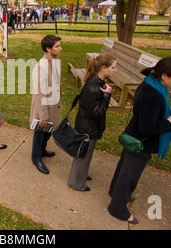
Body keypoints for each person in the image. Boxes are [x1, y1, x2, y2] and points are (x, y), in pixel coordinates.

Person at [108, 56, 171, 225]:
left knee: (124, 168)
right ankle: (117, 208)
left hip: (134, 135)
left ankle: (115, 192)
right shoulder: (153, 95)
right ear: (165, 76)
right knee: (129, 175)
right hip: (140, 142)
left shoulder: (150, 84)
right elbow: (148, 129)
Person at [67, 53, 116, 191]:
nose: (114, 70)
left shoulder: (97, 83)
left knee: (85, 155)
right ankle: (76, 183)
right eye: (113, 67)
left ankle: (81, 175)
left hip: (89, 127)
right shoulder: (93, 87)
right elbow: (96, 113)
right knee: (82, 156)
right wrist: (107, 96)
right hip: (87, 129)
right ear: (104, 68)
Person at [30, 35, 62, 174]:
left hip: (52, 106)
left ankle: (42, 151)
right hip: (44, 109)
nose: (60, 48)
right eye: (57, 46)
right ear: (48, 49)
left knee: (48, 133)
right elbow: (38, 94)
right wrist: (43, 116)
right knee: (40, 134)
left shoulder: (54, 61)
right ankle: (36, 158)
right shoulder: (41, 66)